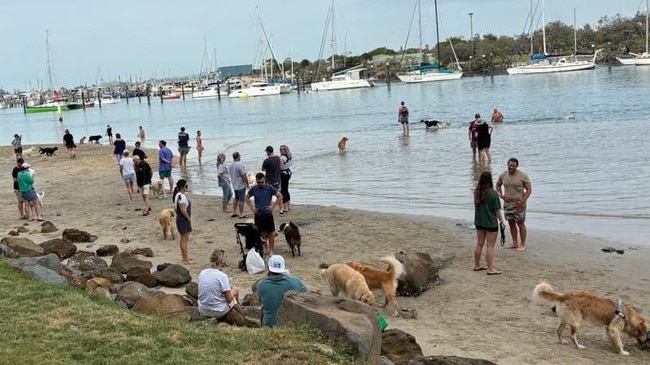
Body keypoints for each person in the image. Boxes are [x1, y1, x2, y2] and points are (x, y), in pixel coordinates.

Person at [198, 249, 257, 327]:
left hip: (203, 309)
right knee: (234, 291)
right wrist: (234, 291)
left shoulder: (202, 273)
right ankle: (240, 316)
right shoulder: (222, 276)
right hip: (218, 311)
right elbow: (229, 299)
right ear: (222, 262)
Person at [256, 255, 308, 327]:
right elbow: (307, 295)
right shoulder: (295, 281)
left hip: (269, 326)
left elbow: (262, 303)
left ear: (268, 268)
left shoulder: (261, 285)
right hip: (291, 325)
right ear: (283, 268)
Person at [496, 158, 533, 252]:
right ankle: (515, 242)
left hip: (519, 204)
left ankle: (523, 244)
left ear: (517, 166)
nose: (511, 167)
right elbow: (498, 185)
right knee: (511, 223)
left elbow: (529, 190)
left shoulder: (523, 176)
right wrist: (501, 195)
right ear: (507, 165)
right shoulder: (503, 175)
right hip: (508, 204)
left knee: (520, 224)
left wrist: (522, 201)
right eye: (510, 165)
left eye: (513, 165)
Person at [473, 171, 505, 275]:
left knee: (479, 243)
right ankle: (490, 268)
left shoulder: (477, 192)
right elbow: (497, 210)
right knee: (490, 246)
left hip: (479, 221)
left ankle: (477, 265)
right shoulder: (492, 193)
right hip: (490, 222)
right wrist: (501, 221)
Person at [246, 172, 282, 256]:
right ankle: (265, 248)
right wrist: (252, 208)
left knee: (271, 233)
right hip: (258, 215)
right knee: (261, 233)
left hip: (268, 214)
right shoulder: (254, 189)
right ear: (256, 181)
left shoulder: (269, 188)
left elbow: (280, 196)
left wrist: (272, 206)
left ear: (264, 180)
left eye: (262, 182)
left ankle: (271, 250)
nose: (260, 184)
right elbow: (247, 197)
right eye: (258, 182)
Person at [173, 179, 193, 265]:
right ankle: (185, 259)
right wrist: (188, 218)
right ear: (182, 187)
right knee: (184, 239)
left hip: (181, 219)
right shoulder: (181, 196)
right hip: (183, 219)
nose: (187, 188)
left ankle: (185, 256)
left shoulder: (177, 195)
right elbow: (183, 210)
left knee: (185, 238)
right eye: (186, 186)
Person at [230, 151, 249, 219]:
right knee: (241, 199)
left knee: (236, 198)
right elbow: (243, 175)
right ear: (238, 156)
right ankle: (241, 213)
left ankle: (234, 212)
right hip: (240, 185)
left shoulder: (231, 165)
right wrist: (247, 183)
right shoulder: (240, 164)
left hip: (234, 184)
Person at [279, 144, 292, 214]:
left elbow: (280, 167)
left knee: (283, 190)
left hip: (283, 174)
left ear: (286, 150)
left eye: (283, 149)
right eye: (280, 149)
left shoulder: (283, 158)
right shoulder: (289, 156)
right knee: (286, 189)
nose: (281, 150)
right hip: (288, 173)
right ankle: (289, 205)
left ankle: (285, 207)